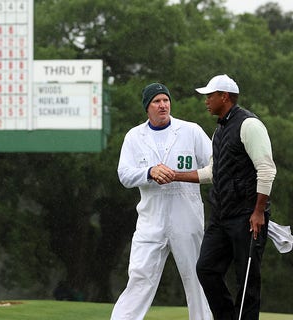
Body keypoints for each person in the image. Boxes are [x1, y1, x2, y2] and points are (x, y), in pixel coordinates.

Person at [168, 74, 276, 320]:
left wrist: (258, 212)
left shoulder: (249, 125)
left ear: (224, 97)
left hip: (248, 216)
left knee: (246, 279)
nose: (206, 101)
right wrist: (175, 175)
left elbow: (267, 169)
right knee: (206, 269)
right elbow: (211, 173)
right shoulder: (220, 130)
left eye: (210, 96)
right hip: (222, 216)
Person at [112, 83, 213, 320]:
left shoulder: (191, 131)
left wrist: (185, 175)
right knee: (140, 277)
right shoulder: (134, 136)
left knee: (197, 278)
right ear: (147, 107)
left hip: (187, 217)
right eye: (156, 101)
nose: (163, 105)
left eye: (165, 100)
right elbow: (124, 174)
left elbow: (215, 165)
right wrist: (149, 172)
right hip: (151, 219)